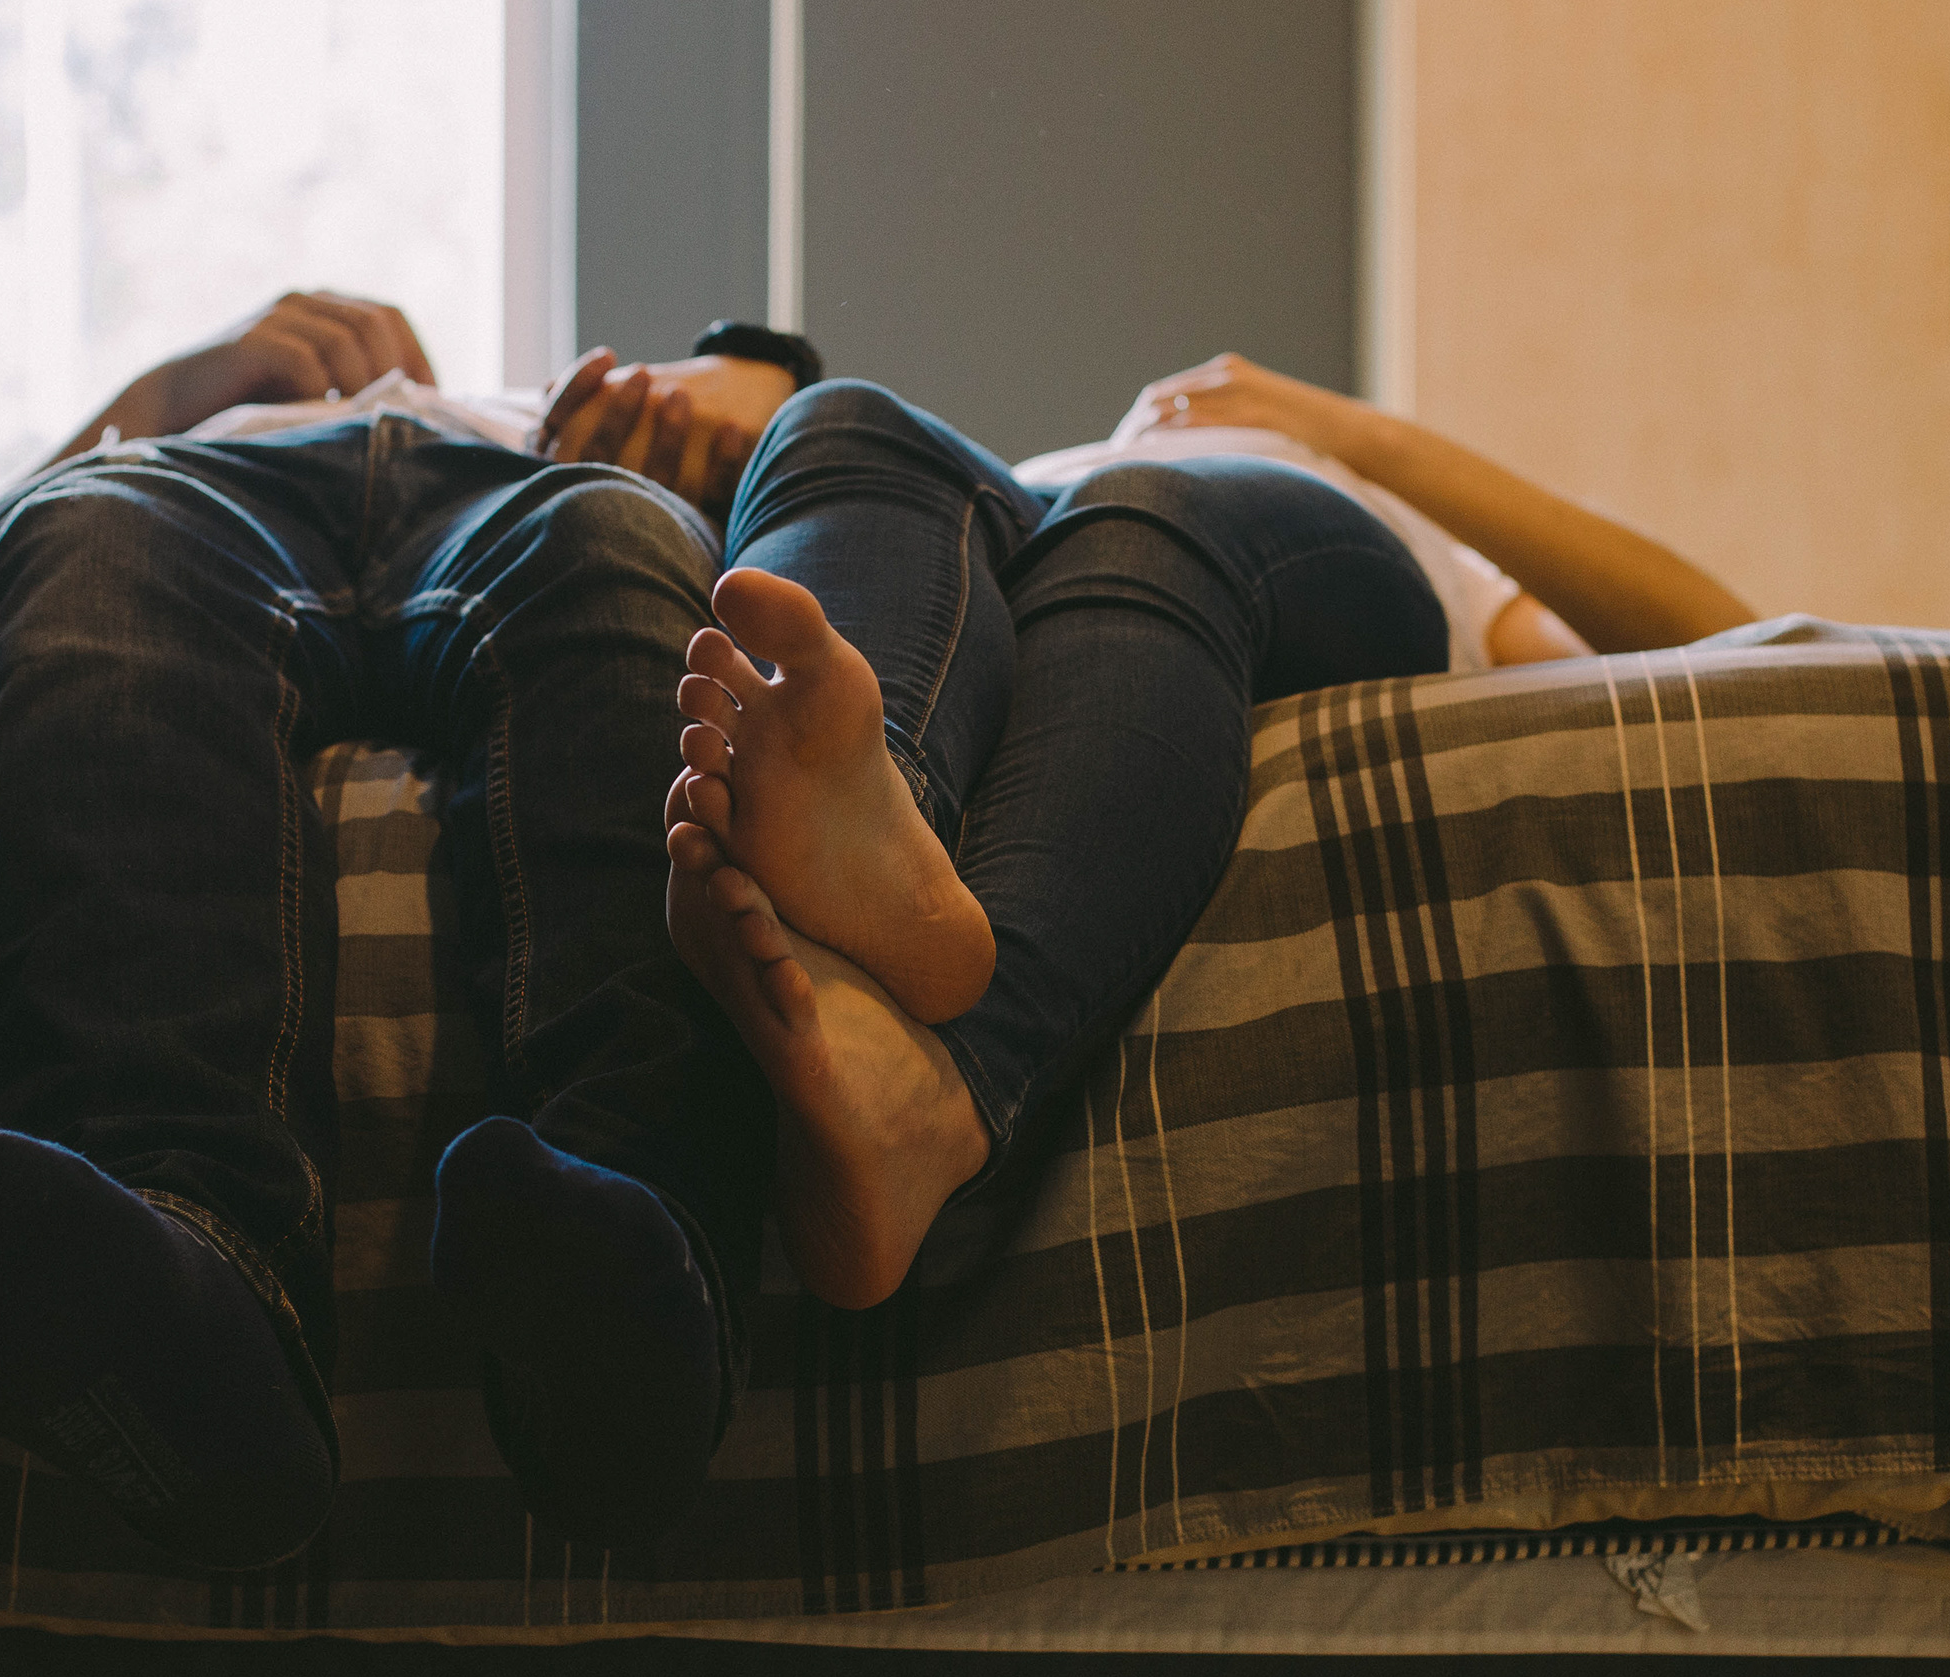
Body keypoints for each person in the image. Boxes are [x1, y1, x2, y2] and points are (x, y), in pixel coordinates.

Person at [0, 293, 816, 1574]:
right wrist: (163, 396)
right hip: (193, 487)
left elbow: (843, 508)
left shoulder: (584, 434)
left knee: (620, 554)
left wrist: (762, 396)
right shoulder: (172, 433)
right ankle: (189, 1286)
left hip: (527, 484)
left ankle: (638, 1264)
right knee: (79, 547)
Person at [658, 353, 1756, 1313]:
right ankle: (875, 814)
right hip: (1028, 537)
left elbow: (1737, 642)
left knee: (1142, 510)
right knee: (840, 421)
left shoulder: (1415, 542)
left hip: (1281, 562)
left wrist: (1345, 429)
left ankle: (940, 1092)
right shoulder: (1047, 489)